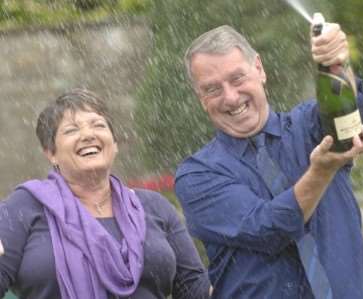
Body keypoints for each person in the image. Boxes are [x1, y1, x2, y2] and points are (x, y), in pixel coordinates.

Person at [175, 18, 363, 299]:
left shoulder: (309, 127)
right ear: (201, 98)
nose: (231, 97)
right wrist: (320, 172)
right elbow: (268, 228)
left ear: (259, 69)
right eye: (213, 89)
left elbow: (348, 123)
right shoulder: (197, 175)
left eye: (237, 79)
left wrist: (336, 62)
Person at [0, 89, 210, 299]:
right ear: (51, 153)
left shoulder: (153, 206)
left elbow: (194, 289)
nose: (88, 135)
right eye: (71, 130)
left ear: (115, 144)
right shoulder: (24, 206)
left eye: (98, 125)